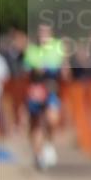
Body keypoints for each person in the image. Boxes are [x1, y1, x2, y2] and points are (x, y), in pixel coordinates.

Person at [23, 24, 69, 169]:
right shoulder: (32, 50)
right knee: (35, 124)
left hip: (51, 91)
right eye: (40, 31)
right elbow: (27, 70)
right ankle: (38, 155)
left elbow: (64, 69)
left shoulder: (58, 47)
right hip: (35, 92)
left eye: (46, 31)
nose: (43, 34)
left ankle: (48, 144)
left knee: (52, 119)